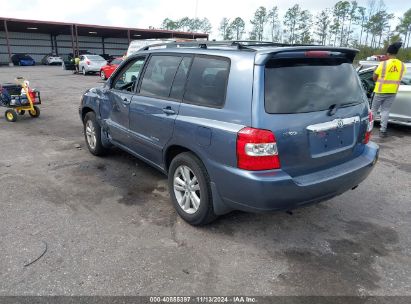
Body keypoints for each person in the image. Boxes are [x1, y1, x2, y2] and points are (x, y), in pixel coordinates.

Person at [372, 42, 407, 138]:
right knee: (385, 111)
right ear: (396, 53)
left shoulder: (383, 64)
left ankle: (368, 129)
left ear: (388, 53)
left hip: (380, 91)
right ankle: (383, 131)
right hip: (392, 91)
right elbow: (400, 76)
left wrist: (377, 82)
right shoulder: (402, 65)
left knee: (373, 110)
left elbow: (374, 77)